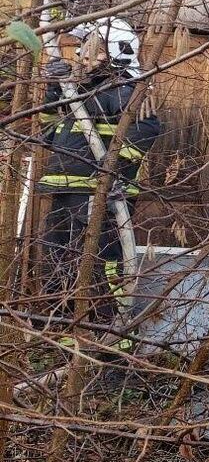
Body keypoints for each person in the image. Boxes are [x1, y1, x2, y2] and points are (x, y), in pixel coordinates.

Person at [37, 17, 160, 318]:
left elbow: (147, 128)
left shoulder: (126, 92)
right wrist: (54, 90)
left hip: (101, 194)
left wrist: (112, 167)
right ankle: (64, 328)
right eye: (82, 47)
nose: (82, 54)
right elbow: (48, 134)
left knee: (101, 263)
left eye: (93, 48)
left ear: (116, 53)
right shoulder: (77, 91)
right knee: (57, 260)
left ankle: (110, 328)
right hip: (66, 189)